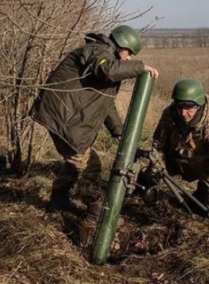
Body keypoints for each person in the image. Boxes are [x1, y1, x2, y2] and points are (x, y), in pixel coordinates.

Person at [30, 25, 159, 222]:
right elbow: (106, 70)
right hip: (63, 118)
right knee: (90, 164)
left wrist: (119, 132)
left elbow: (105, 105)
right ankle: (96, 211)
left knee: (75, 159)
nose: (129, 58)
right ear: (122, 46)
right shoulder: (98, 52)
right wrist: (140, 67)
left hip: (66, 117)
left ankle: (58, 200)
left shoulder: (102, 54)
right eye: (129, 53)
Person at [151, 78, 209, 224]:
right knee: (147, 180)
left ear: (199, 105)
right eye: (179, 107)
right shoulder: (170, 114)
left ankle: (200, 195)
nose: (184, 113)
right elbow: (158, 144)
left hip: (206, 168)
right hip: (178, 159)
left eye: (189, 108)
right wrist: (156, 170)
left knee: (206, 209)